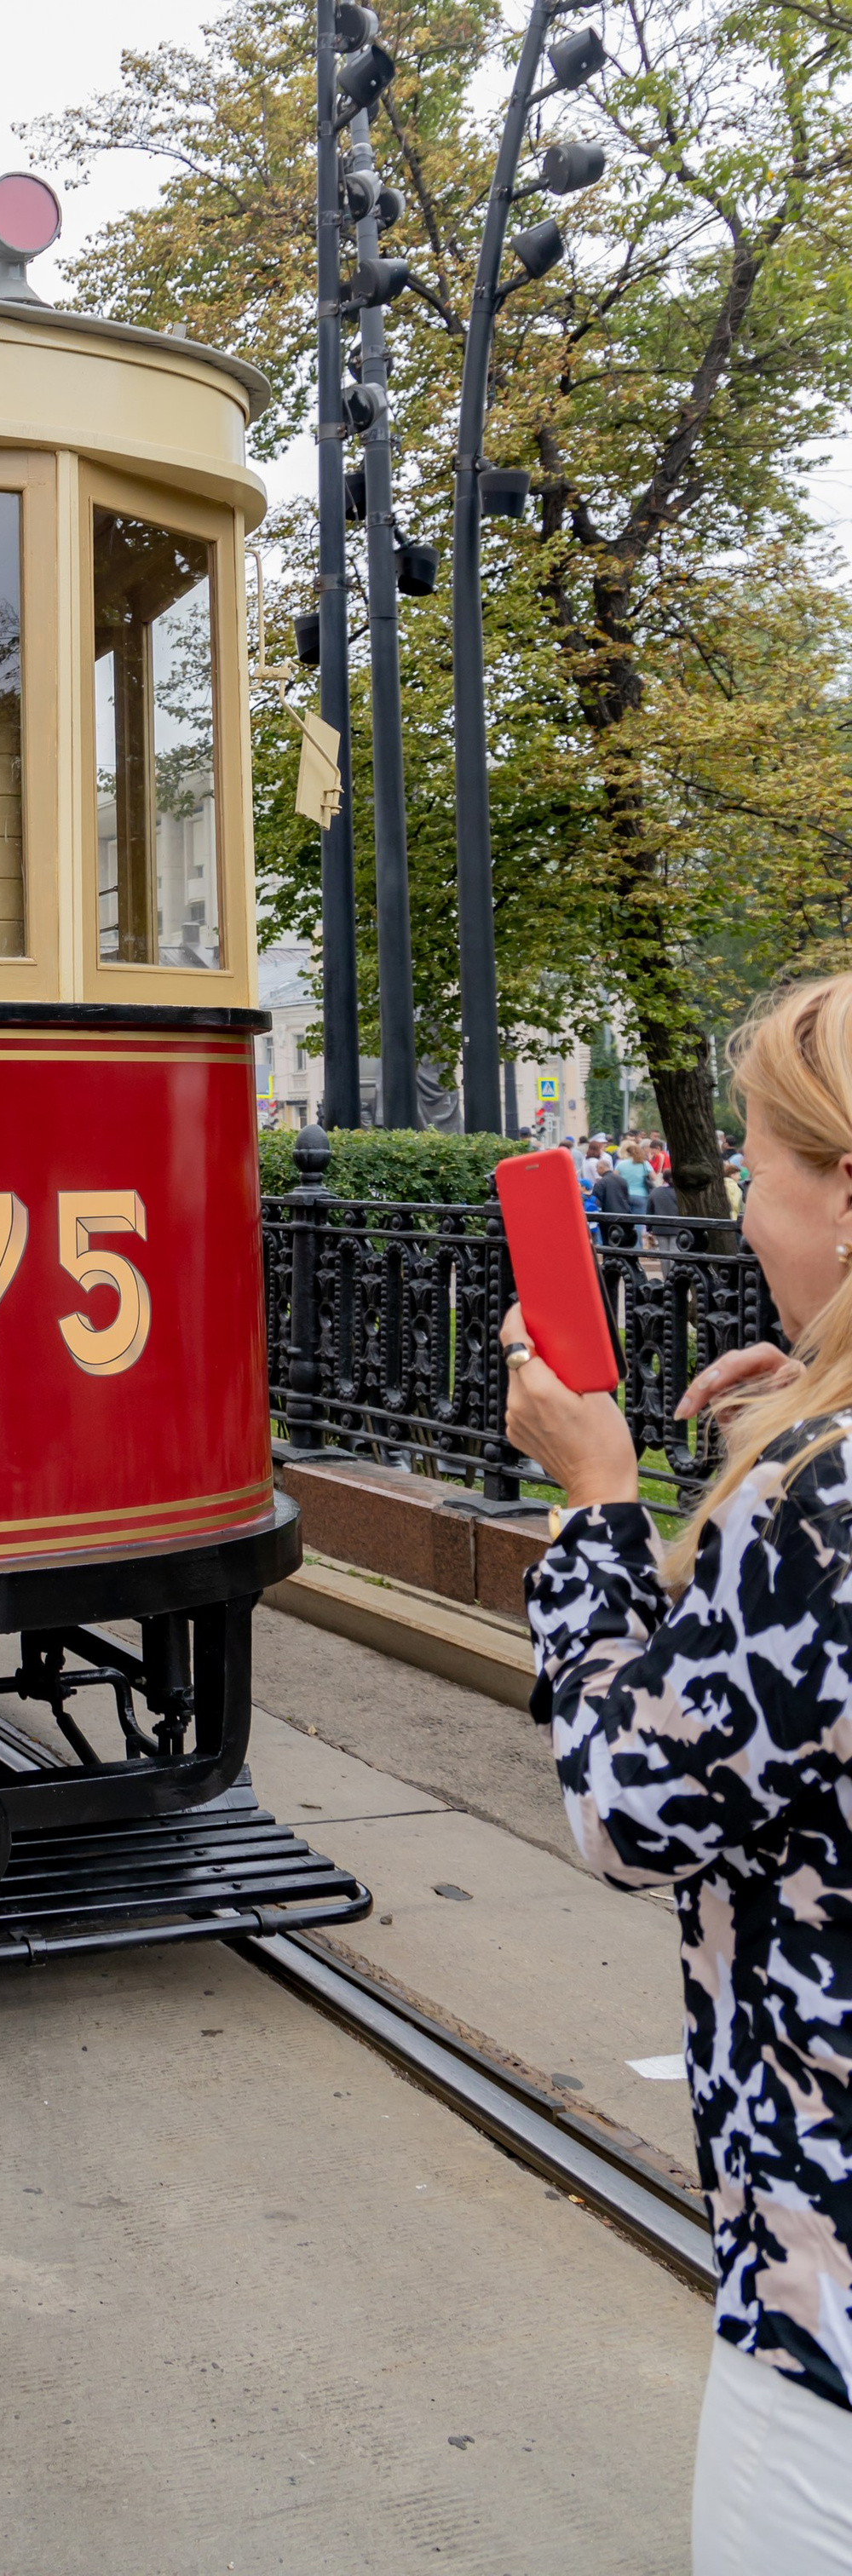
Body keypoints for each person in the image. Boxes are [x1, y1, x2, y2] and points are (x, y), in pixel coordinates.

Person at [507, 973, 852, 2572]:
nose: (749, 1211)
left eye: (769, 1168)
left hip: (828, 2290)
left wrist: (593, 1506)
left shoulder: (825, 1515)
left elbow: (628, 1803)